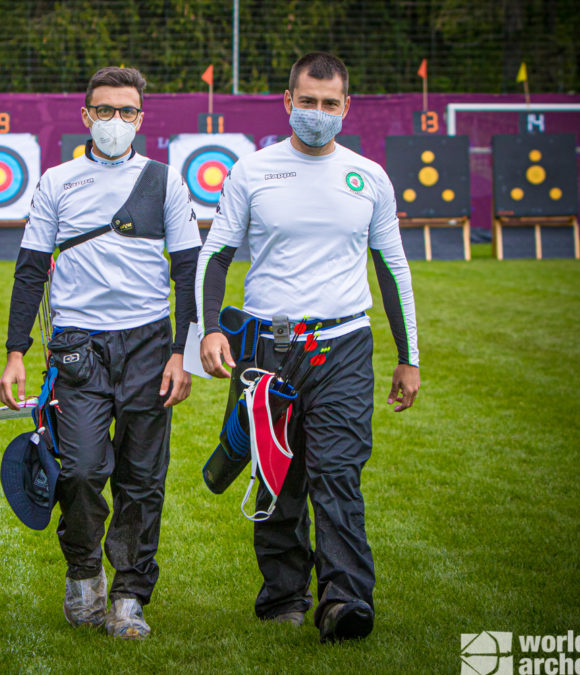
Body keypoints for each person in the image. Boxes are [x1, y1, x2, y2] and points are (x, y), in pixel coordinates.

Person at [197, 52, 420, 643]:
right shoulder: (251, 171)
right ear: (288, 101)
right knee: (278, 477)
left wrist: (409, 356)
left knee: (337, 473)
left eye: (330, 103)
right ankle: (282, 596)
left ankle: (345, 600)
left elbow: (392, 268)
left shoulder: (369, 175)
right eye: (308, 101)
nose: (318, 113)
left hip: (344, 344)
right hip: (269, 348)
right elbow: (215, 256)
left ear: (346, 107)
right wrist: (210, 331)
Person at [0, 66, 201, 639]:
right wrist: (17, 351)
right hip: (77, 349)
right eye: (104, 111)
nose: (116, 121)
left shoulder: (166, 180)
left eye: (127, 112)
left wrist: (181, 351)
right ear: (85, 116)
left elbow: (188, 269)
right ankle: (85, 572)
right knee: (82, 470)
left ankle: (130, 595)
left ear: (142, 117)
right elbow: (31, 268)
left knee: (142, 479)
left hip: (148, 346)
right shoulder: (57, 180)